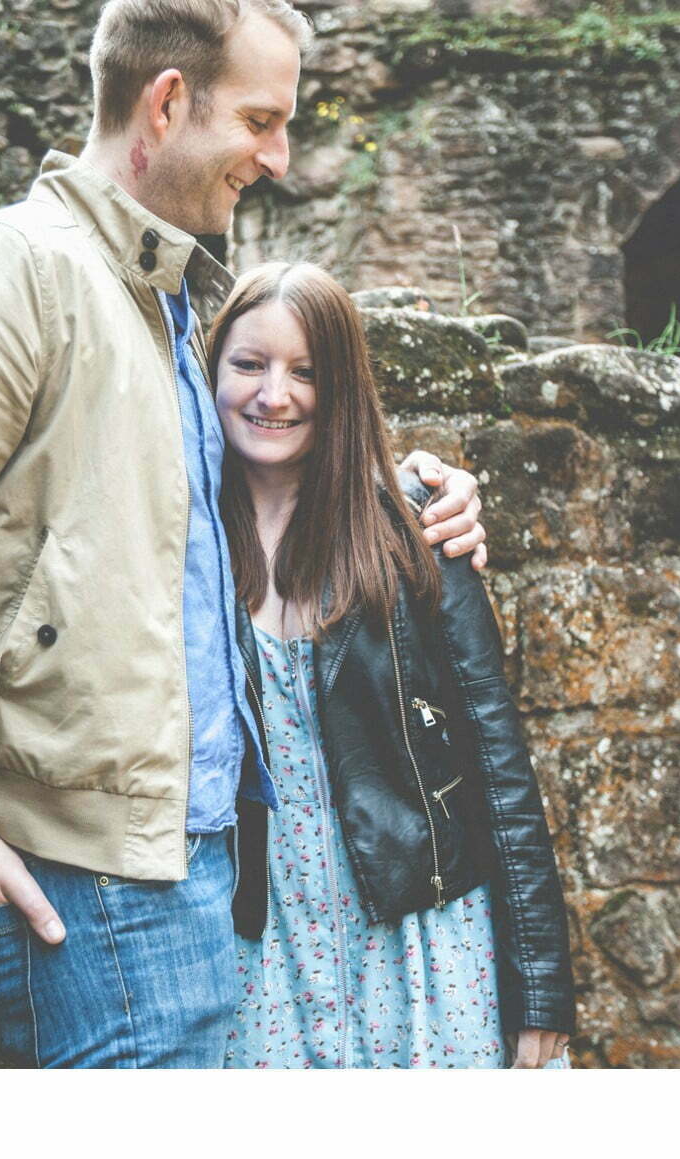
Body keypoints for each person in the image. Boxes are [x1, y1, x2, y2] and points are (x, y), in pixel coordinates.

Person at [0, 0, 492, 1069]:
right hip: (94, 879)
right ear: (167, 102)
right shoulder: (13, 269)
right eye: (262, 121)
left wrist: (422, 485)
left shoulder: (170, 302)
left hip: (199, 864)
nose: (278, 159)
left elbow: (236, 483)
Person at [207, 261, 575, 1068]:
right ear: (212, 370)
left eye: (306, 370)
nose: (276, 394)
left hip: (423, 940)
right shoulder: (185, 536)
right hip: (258, 944)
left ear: (341, 387)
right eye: (249, 364)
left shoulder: (416, 529)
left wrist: (540, 986)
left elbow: (498, 759)